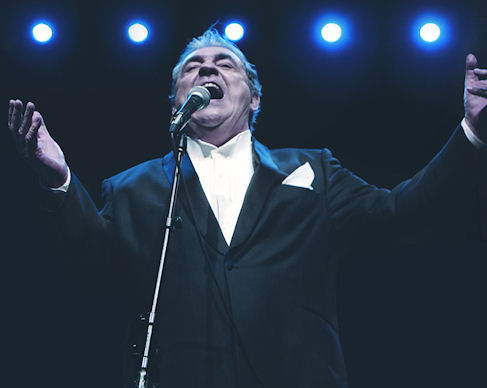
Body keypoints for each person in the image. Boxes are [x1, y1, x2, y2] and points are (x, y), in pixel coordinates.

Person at [7, 28, 487, 388]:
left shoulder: (314, 171)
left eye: (225, 64)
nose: (207, 70)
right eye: (193, 67)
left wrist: (471, 133)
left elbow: (400, 214)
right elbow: (95, 268)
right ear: (176, 101)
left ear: (254, 98)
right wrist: (59, 180)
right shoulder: (133, 187)